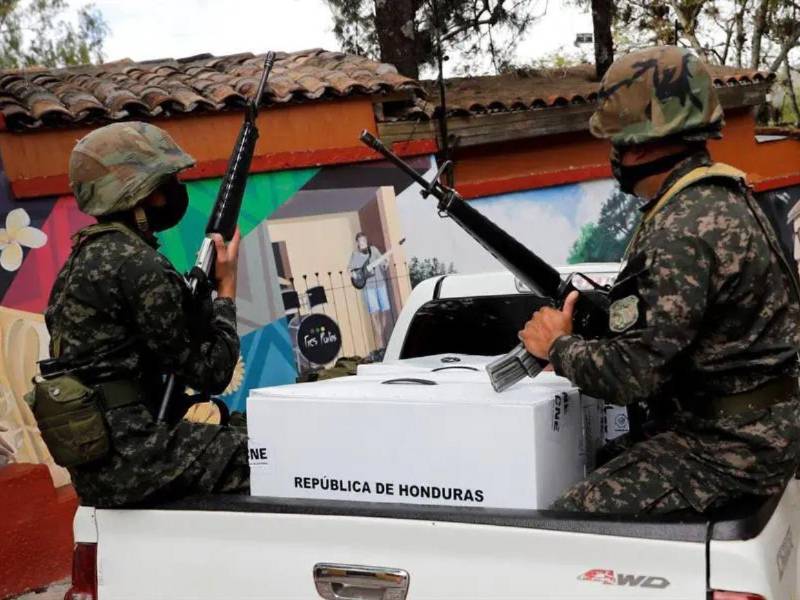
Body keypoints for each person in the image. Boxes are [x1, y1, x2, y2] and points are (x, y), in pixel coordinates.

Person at [519, 46, 800, 515]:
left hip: (732, 450)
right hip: (753, 427)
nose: (613, 155)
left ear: (640, 143)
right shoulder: (720, 194)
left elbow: (633, 376)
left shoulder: (681, 228)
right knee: (605, 459)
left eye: (615, 141)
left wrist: (558, 346)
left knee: (566, 520)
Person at [43, 121, 249, 508]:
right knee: (271, 456)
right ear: (141, 193)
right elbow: (213, 374)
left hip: (101, 464)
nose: (171, 192)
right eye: (164, 182)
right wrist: (226, 289)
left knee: (239, 429)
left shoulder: (77, 264)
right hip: (137, 460)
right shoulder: (137, 265)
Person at [348, 232, 393, 349]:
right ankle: (381, 340)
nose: (363, 243)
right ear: (357, 243)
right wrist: (354, 274)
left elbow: (383, 264)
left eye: (364, 240)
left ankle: (380, 335)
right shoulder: (355, 255)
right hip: (369, 287)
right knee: (374, 313)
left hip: (381, 283)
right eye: (361, 241)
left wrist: (386, 263)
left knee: (385, 311)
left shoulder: (374, 250)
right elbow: (350, 270)